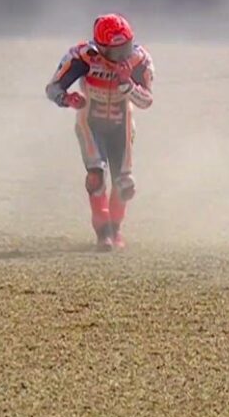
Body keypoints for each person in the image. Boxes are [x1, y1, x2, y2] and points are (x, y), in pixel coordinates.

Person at [45, 13, 155, 251]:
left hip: (122, 124)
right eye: (115, 52)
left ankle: (116, 230)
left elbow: (147, 101)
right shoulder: (83, 56)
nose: (121, 57)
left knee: (124, 184)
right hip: (90, 123)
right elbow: (52, 87)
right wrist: (67, 98)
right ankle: (102, 233)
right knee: (95, 177)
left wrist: (127, 82)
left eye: (125, 48)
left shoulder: (139, 60)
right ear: (101, 48)